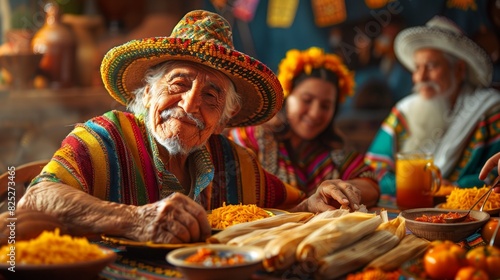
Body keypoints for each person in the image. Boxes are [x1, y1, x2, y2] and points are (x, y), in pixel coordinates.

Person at [17, 10, 374, 245]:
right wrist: (134, 219)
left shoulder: (231, 160)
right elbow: (34, 199)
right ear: (147, 91)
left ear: (224, 120)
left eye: (211, 94)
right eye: (178, 84)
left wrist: (317, 200)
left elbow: (289, 210)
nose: (190, 105)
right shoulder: (106, 137)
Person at [225, 47, 380, 207]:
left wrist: (341, 189)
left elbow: (370, 184)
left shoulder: (336, 151)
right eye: (306, 100)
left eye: (325, 106)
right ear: (287, 97)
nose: (314, 113)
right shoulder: (253, 138)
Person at [364, 16, 500, 195]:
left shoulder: (489, 110)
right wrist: (417, 184)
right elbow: (370, 174)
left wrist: (455, 187)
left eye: (431, 66)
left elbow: (496, 175)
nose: (420, 78)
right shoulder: (404, 111)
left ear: (458, 70)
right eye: (417, 68)